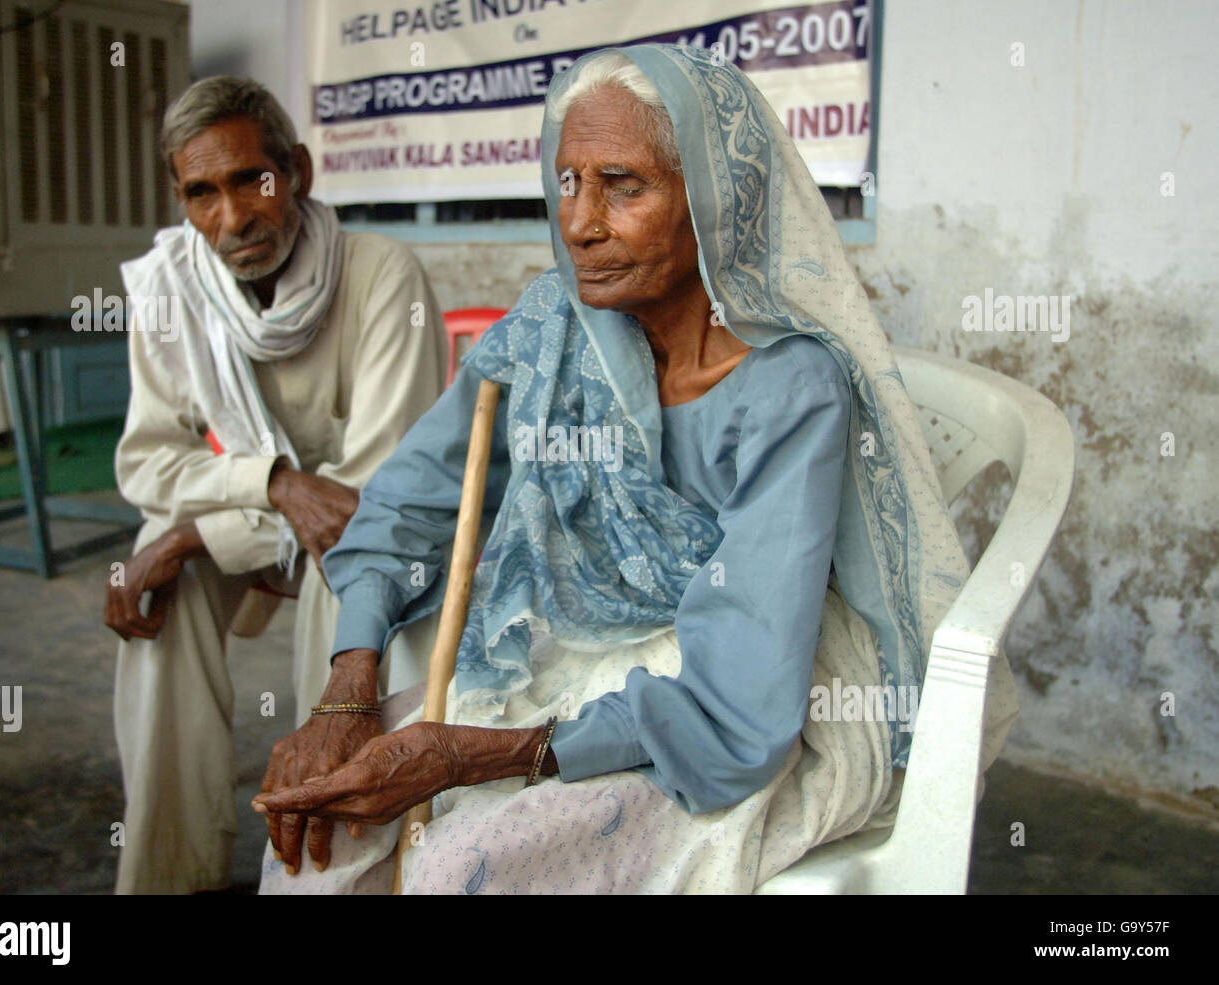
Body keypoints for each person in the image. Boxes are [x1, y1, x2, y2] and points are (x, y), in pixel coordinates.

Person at [253, 44, 1019, 894]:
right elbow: (410, 503)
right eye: (570, 180)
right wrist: (347, 689)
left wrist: (467, 757)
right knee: (328, 839)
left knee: (461, 870)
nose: (580, 222)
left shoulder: (792, 388)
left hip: (735, 700)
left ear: (718, 202)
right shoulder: (556, 330)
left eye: (625, 185)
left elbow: (738, 706)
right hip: (572, 653)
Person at [104, 76, 447, 894]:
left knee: (348, 563)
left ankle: (322, 863)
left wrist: (202, 530)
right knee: (160, 577)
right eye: (201, 193)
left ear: (297, 169)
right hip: (272, 515)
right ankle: (165, 871)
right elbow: (148, 461)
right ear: (179, 198)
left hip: (367, 534)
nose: (233, 218)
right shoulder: (171, 288)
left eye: (251, 180)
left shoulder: (381, 274)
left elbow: (373, 499)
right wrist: (272, 483)